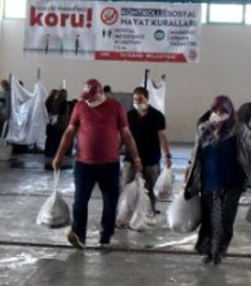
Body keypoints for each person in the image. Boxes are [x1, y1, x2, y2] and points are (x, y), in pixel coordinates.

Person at [53, 79, 143, 249]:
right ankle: (78, 235)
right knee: (80, 200)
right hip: (83, 164)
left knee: (110, 201)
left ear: (100, 93)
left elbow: (127, 134)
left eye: (91, 98)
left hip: (109, 165)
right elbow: (70, 132)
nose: (89, 101)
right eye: (86, 98)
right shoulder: (80, 107)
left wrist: (136, 158)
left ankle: (106, 235)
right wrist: (59, 155)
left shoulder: (115, 107)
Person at [185, 95, 251, 265]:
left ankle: (219, 251)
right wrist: (190, 167)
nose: (219, 114)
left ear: (230, 112)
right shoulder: (203, 129)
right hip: (209, 180)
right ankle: (209, 250)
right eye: (216, 110)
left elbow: (250, 150)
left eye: (223, 111)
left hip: (233, 181)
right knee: (210, 218)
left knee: (225, 218)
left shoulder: (239, 129)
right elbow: (196, 151)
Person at [124, 87, 173, 214]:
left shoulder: (157, 116)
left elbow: (162, 137)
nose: (137, 103)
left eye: (140, 100)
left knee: (151, 188)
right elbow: (124, 136)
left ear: (147, 99)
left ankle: (150, 211)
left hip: (151, 159)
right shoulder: (129, 115)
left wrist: (167, 155)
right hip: (131, 158)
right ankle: (129, 211)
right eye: (135, 100)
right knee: (128, 186)